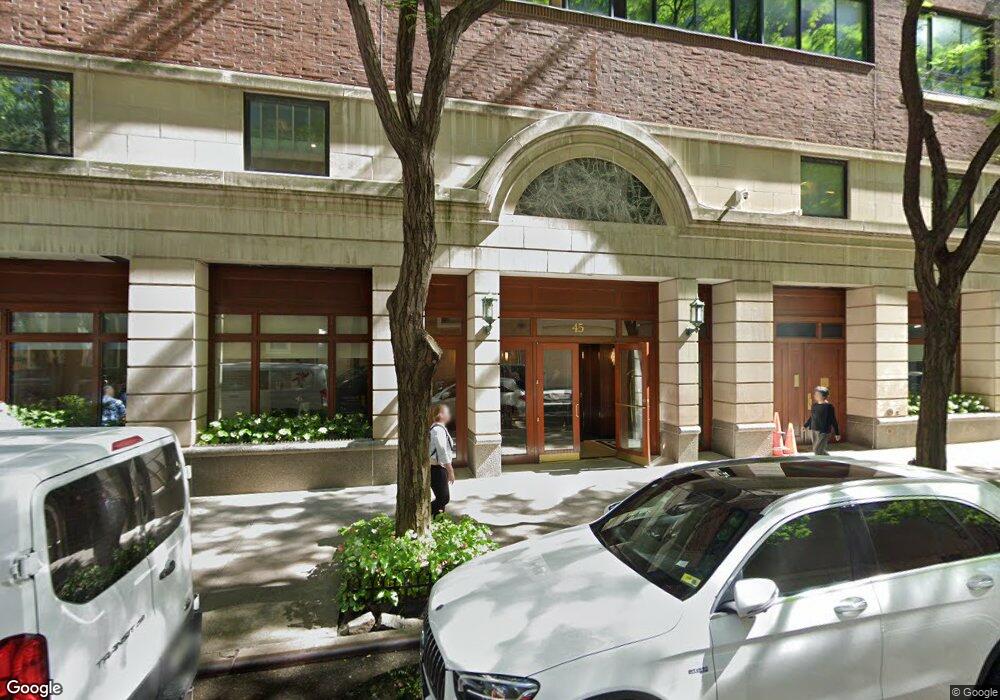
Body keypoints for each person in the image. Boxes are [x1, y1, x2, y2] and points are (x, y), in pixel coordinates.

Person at [428, 403, 456, 516]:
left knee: (441, 499)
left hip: (438, 468)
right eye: (447, 412)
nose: (449, 414)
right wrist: (450, 470)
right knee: (443, 498)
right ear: (440, 415)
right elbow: (442, 450)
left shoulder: (439, 428)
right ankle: (422, 514)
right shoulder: (438, 430)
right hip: (436, 469)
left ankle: (438, 520)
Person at [804, 385, 840, 456]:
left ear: (823, 396)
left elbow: (833, 419)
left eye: (817, 394)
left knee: (818, 450)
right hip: (814, 429)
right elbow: (812, 417)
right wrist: (805, 425)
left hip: (824, 431)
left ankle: (828, 459)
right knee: (817, 450)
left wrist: (837, 433)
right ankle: (825, 460)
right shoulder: (814, 405)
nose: (815, 395)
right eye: (815, 394)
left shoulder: (829, 407)